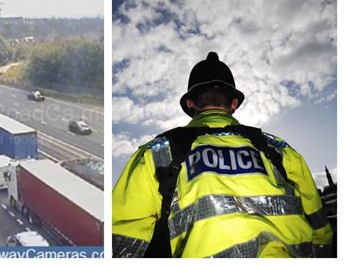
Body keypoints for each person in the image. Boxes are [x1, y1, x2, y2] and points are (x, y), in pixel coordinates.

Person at [112, 52, 333, 258]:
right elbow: (320, 226)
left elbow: (122, 243)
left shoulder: (156, 154)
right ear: (233, 104)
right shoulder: (280, 150)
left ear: (190, 104)